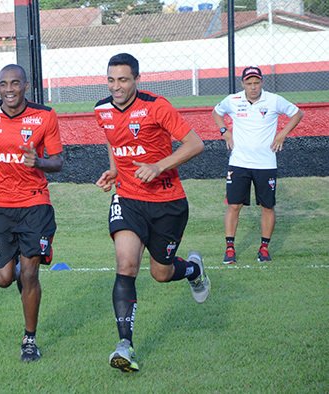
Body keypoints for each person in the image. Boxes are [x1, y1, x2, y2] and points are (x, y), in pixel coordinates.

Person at [94, 53, 210, 373]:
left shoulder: (157, 106)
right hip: (128, 199)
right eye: (111, 80)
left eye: (123, 80)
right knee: (126, 264)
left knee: (160, 273)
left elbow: (195, 144)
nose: (116, 87)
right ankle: (124, 345)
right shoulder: (102, 110)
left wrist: (158, 166)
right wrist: (115, 170)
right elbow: (112, 139)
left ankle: (193, 271)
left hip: (167, 203)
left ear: (137, 80)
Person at [0, 64, 63, 362]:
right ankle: (18, 269)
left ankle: (29, 340)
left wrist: (39, 162)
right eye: (3, 84)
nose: (9, 89)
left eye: (15, 83)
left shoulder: (45, 116)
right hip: (0, 207)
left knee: (31, 272)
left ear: (26, 86)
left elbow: (58, 161)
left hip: (35, 204)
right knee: (4, 278)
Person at [212, 66, 303, 264]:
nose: (253, 87)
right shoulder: (233, 100)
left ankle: (264, 248)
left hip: (266, 163)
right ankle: (229, 249)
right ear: (243, 83)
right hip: (238, 163)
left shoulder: (274, 100)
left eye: (256, 82)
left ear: (261, 82)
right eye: (249, 83)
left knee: (267, 206)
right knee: (234, 205)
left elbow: (297, 114)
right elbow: (216, 112)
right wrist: (224, 131)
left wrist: (282, 134)